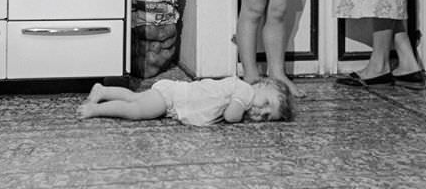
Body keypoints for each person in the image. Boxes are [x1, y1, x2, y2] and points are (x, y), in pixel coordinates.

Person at [76, 77, 293, 126]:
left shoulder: (243, 92)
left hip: (173, 92)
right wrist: (242, 116)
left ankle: (102, 90)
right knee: (134, 110)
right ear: (261, 85)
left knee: (134, 98)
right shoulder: (244, 91)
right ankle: (95, 109)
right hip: (173, 98)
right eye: (266, 103)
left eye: (266, 116)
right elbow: (231, 116)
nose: (260, 111)